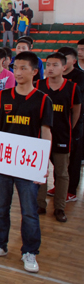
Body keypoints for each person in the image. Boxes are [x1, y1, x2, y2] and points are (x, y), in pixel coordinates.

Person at [0, 51, 53, 274]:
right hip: (4, 163)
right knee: (1, 206)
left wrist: (43, 165)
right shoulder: (3, 96)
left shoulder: (43, 100)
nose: (18, 72)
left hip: (28, 164)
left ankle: (30, 251)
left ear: (34, 71)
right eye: (15, 68)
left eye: (23, 68)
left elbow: (46, 133)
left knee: (29, 210)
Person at [35, 53, 81, 222]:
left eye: (55, 65)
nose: (51, 68)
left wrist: (68, 129)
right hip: (40, 136)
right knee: (40, 172)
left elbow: (76, 111)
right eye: (48, 65)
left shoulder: (73, 88)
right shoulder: (39, 85)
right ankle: (40, 204)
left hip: (62, 136)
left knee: (62, 174)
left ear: (64, 67)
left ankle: (60, 207)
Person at [58, 46, 84, 202]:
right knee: (58, 158)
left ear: (73, 61)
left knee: (74, 157)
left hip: (75, 123)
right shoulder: (54, 78)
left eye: (65, 59)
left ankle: (72, 190)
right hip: (58, 123)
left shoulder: (80, 77)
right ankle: (59, 185)